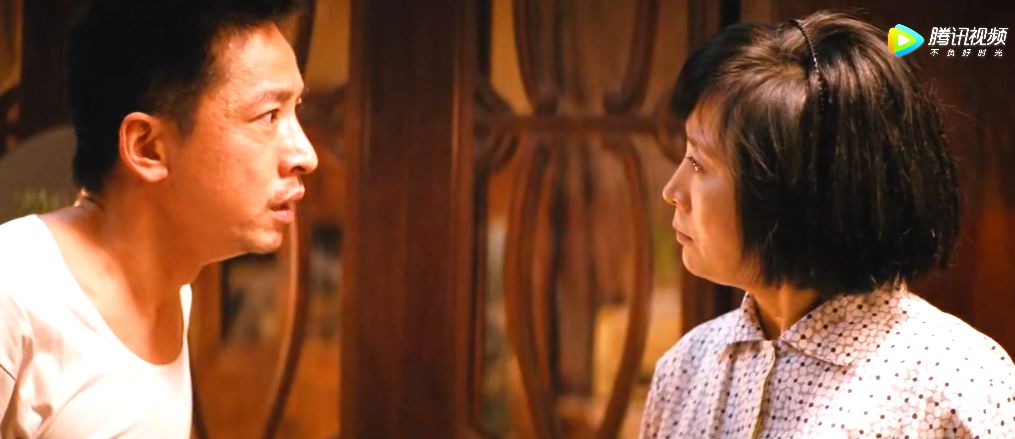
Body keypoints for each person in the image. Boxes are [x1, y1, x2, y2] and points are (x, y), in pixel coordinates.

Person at [641, 11, 1015, 438]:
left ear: (793, 191)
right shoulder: (686, 369)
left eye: (698, 162)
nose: (672, 190)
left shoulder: (958, 383)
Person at [0, 0, 317, 436]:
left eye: (296, 108)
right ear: (148, 148)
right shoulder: (15, 289)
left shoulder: (174, 292)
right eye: (269, 116)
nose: (306, 155)